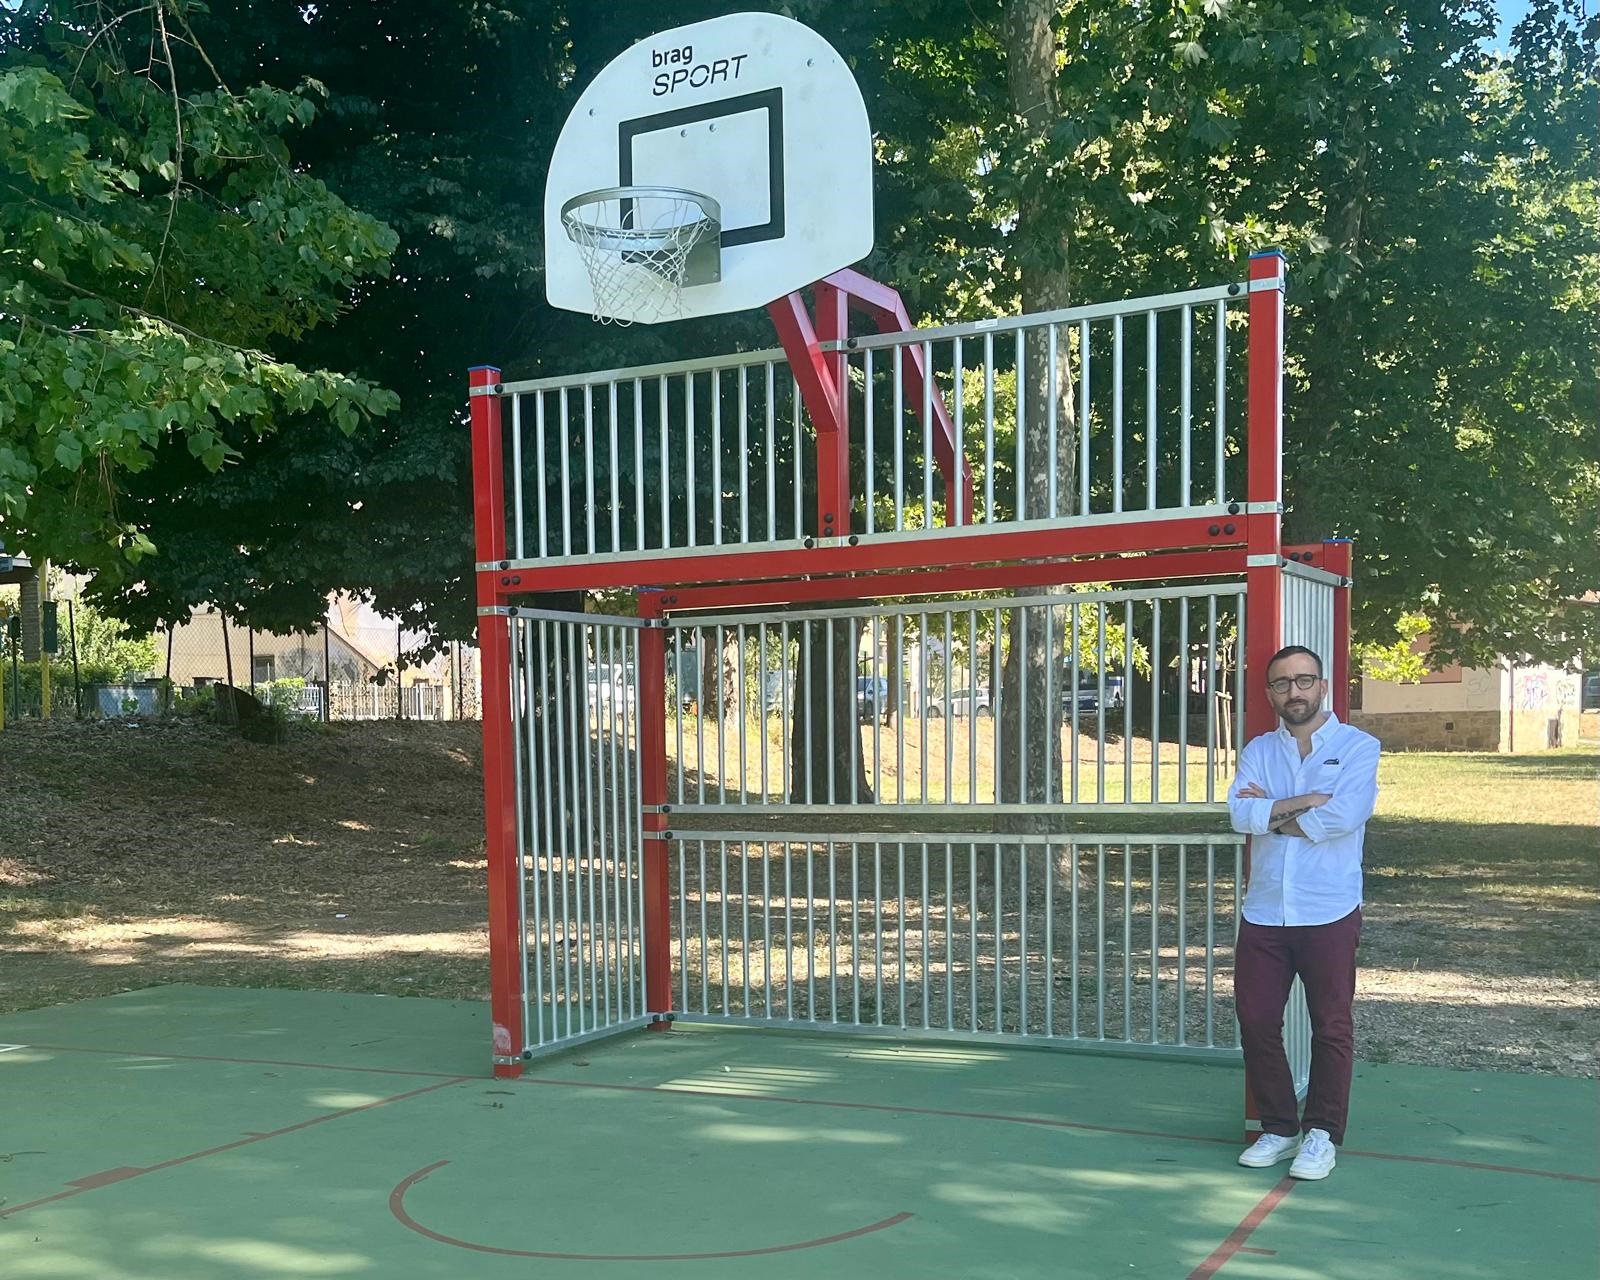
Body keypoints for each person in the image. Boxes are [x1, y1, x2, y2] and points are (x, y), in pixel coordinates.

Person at [1227, 644, 1380, 1181]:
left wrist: (1275, 811)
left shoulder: (1359, 747)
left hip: (1329, 909)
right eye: (1281, 683)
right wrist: (1307, 799)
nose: (1293, 691)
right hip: (1266, 912)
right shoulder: (1258, 750)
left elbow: (1345, 816)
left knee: (1331, 1026)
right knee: (1257, 1021)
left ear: (1323, 686)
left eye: (1303, 680)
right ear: (1270, 692)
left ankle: (1321, 1134)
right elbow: (1240, 814)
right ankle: (1280, 1127)